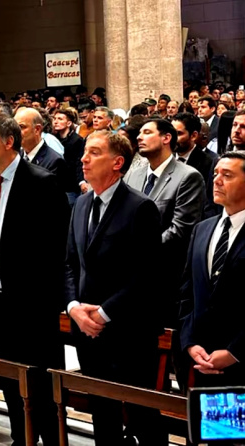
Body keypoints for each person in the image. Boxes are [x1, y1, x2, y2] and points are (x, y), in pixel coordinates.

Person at [64, 130, 165, 444]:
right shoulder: (81, 204)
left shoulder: (140, 207)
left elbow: (146, 275)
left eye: (94, 153)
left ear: (117, 162)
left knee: (142, 414)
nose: (84, 158)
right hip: (87, 330)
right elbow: (69, 263)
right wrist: (74, 308)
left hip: (129, 331)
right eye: (85, 152)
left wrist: (104, 314)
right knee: (101, 411)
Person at [0, 113, 69, 445]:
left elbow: (55, 248)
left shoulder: (41, 182)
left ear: (9, 142)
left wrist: (40, 298)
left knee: (40, 384)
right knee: (9, 377)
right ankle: (21, 438)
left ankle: (51, 441)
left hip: (32, 306)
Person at [123, 118, 205, 324]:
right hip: (131, 276)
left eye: (147, 132)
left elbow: (181, 229)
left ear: (166, 138)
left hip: (164, 274)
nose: (139, 137)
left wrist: (138, 250)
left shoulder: (187, 176)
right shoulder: (133, 174)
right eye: (139, 133)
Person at [180, 151, 245, 387]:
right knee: (206, 425)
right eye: (216, 173)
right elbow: (188, 292)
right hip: (202, 360)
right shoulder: (202, 229)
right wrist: (190, 343)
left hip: (240, 361)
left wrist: (234, 353)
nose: (216, 180)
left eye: (227, 175)